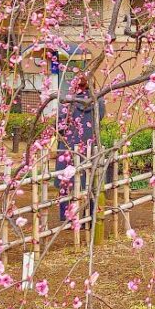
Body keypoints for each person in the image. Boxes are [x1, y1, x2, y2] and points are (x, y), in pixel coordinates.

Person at [53, 76, 108, 223]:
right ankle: (88, 215)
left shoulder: (68, 102)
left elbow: (59, 125)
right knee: (89, 181)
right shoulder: (99, 101)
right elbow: (100, 118)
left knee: (66, 182)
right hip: (89, 145)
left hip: (69, 147)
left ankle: (66, 216)